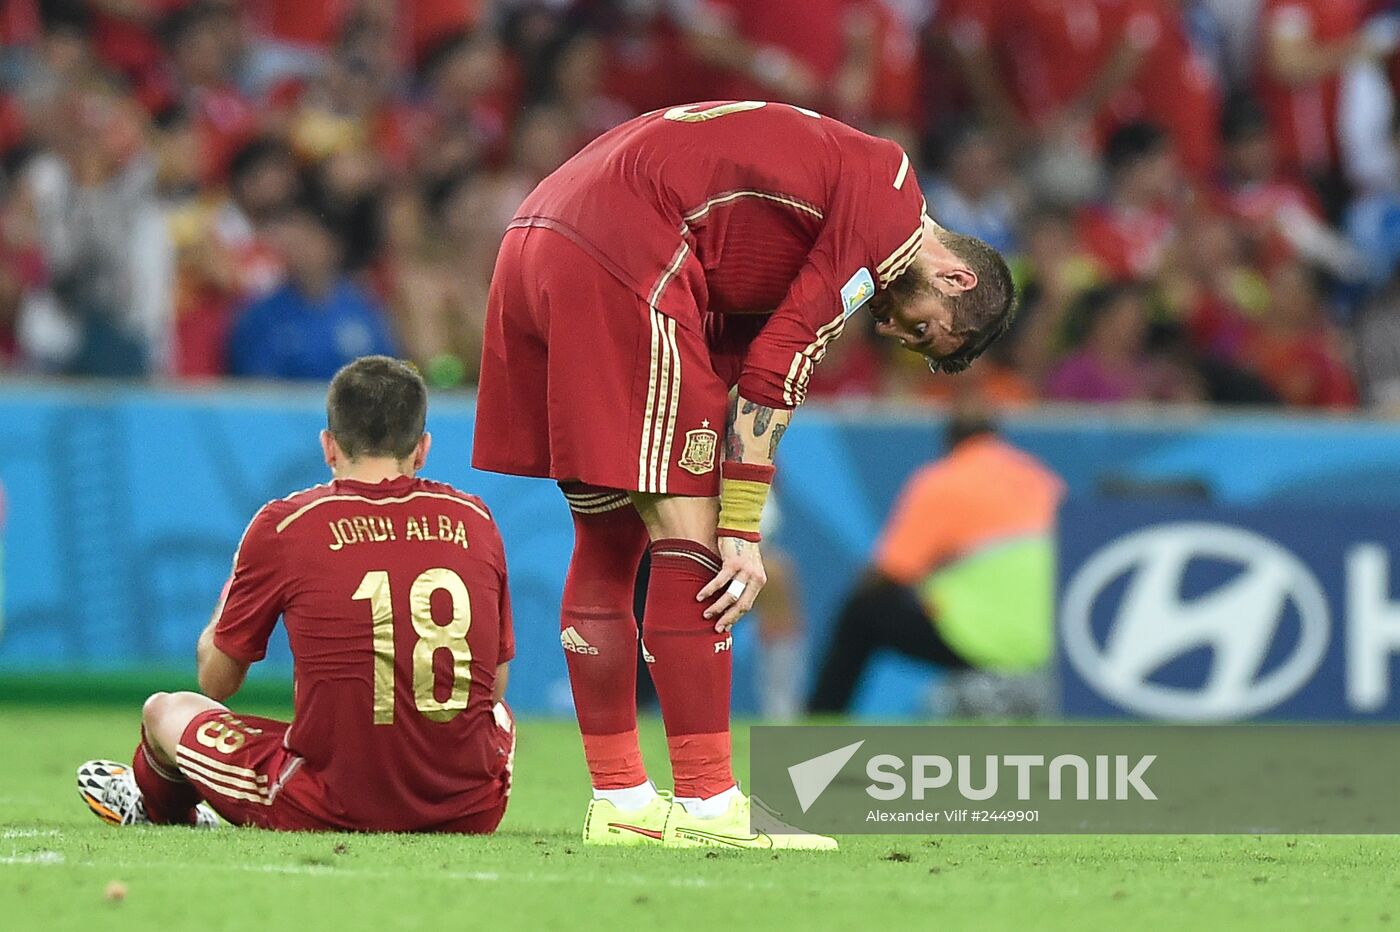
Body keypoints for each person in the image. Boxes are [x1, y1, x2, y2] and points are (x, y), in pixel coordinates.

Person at [473, 100, 1015, 849]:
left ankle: (624, 802)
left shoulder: (831, 196)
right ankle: (707, 806)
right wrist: (741, 526)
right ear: (955, 276)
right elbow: (780, 361)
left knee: (606, 540)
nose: (892, 331)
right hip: (625, 250)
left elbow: (734, 330)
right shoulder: (889, 206)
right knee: (696, 545)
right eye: (921, 327)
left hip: (538, 237)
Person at [76, 356, 516, 834]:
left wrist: (234, 588)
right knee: (497, 715)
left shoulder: (287, 526)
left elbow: (217, 681)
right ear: (423, 448)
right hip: (470, 809)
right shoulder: (476, 520)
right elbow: (492, 687)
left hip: (327, 806)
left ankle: (160, 811)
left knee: (165, 709)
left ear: (328, 446)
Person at [808, 413, 1064, 713]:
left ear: (948, 442)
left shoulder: (944, 480)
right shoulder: (1043, 479)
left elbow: (890, 573)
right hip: (1050, 641)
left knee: (862, 610)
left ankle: (819, 720)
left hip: (982, 639)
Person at [226, 204, 397, 380]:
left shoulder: (365, 309)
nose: (303, 251)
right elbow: (254, 388)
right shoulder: (260, 317)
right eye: (297, 243)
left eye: (311, 241)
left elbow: (385, 378)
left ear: (334, 246)